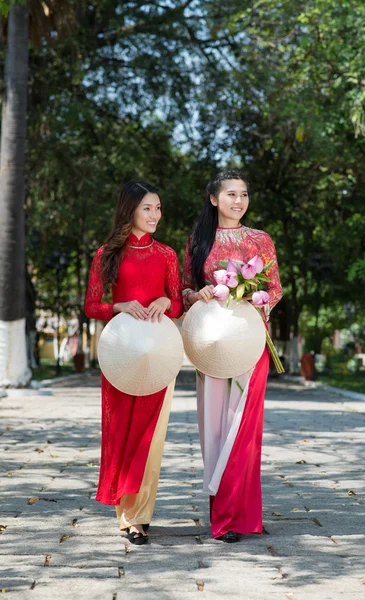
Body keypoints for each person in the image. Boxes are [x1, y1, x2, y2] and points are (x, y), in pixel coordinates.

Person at [182, 171, 283, 543]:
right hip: (212, 343)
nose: (238, 201)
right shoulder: (199, 241)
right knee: (216, 428)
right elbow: (182, 290)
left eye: (243, 194)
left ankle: (243, 516)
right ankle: (223, 517)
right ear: (214, 199)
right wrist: (199, 294)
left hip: (251, 343)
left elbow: (274, 289)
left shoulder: (261, 240)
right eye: (230, 194)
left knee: (245, 429)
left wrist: (256, 301)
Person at [85, 181, 183, 545]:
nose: (155, 215)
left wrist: (165, 303)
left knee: (149, 439)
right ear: (129, 211)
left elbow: (179, 302)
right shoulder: (106, 254)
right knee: (121, 435)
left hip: (158, 355)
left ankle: (138, 516)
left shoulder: (167, 255)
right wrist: (118, 307)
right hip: (121, 355)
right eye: (147, 208)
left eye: (158, 208)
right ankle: (125, 516)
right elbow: (91, 306)